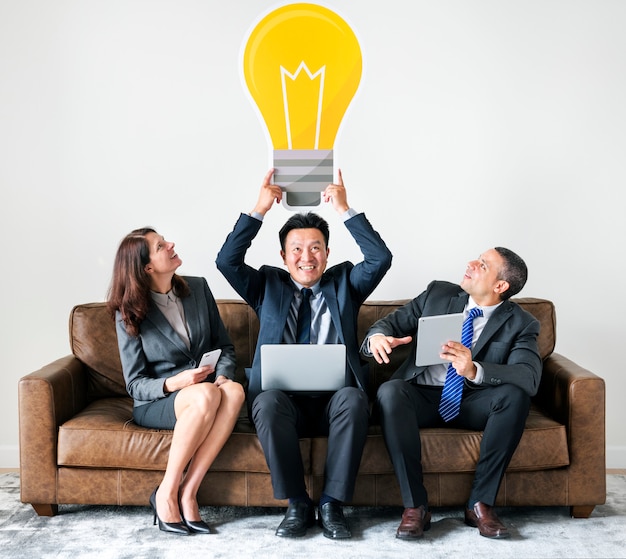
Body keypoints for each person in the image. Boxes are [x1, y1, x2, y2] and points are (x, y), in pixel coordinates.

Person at [216, 169, 392, 539]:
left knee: (354, 398)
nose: (306, 257)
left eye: (315, 248)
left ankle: (331, 504)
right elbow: (226, 262)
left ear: (327, 253)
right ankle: (297, 503)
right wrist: (259, 210)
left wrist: (345, 210)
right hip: (285, 407)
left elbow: (380, 258)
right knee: (265, 402)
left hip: (336, 405)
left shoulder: (345, 282)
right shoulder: (267, 285)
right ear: (283, 255)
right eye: (297, 249)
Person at [361, 247, 541, 540]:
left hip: (473, 402)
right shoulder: (439, 294)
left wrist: (474, 370)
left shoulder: (521, 323)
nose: (470, 263)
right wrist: (378, 337)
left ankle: (480, 505)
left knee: (515, 396)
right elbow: (388, 323)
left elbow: (528, 376)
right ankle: (415, 506)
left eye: (482, 265)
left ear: (500, 286)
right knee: (391, 391)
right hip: (422, 396)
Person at [108, 227, 245, 535]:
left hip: (205, 391)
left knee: (234, 391)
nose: (170, 245)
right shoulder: (127, 312)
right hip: (159, 401)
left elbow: (224, 346)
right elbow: (135, 383)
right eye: (160, 246)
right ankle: (167, 492)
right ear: (147, 267)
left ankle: (188, 491)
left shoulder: (198, 288)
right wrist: (176, 382)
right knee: (203, 395)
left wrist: (222, 375)